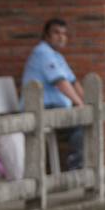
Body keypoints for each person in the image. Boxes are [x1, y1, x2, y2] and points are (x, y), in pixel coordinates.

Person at [22, 18, 85, 170]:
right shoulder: (42, 52)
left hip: (56, 110)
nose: (61, 37)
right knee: (82, 122)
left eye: (64, 33)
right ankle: (76, 167)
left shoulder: (57, 56)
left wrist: (88, 101)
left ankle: (79, 166)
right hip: (40, 110)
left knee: (87, 118)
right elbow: (60, 82)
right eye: (56, 33)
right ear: (46, 35)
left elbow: (73, 82)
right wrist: (79, 104)